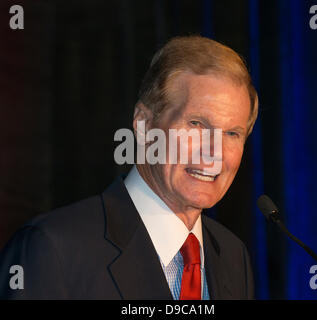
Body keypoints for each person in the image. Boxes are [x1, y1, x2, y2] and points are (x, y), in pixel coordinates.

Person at [0, 36, 258, 300]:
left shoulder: (233, 257)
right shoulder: (52, 248)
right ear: (144, 124)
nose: (214, 152)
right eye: (196, 124)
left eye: (232, 133)